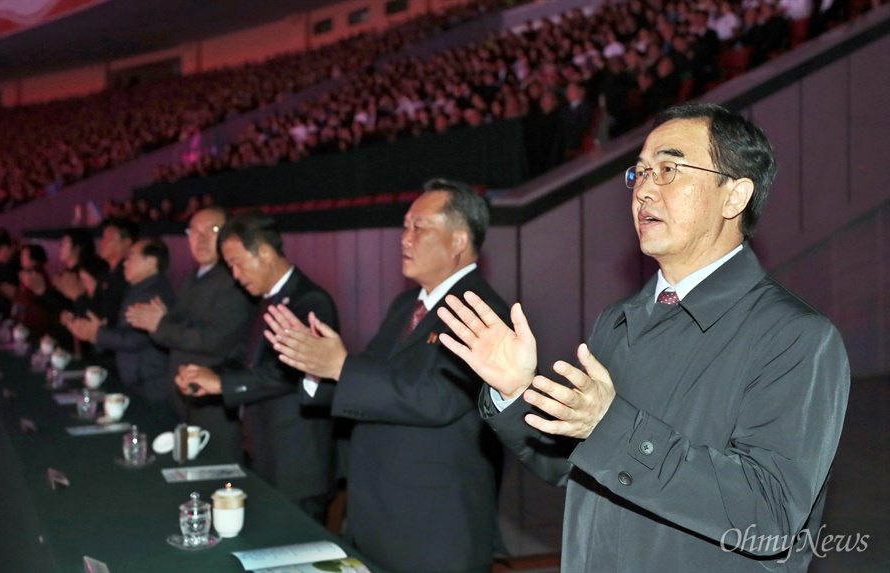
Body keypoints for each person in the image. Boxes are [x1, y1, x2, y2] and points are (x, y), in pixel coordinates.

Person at [435, 103, 850, 572]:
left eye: (669, 169)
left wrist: (608, 425)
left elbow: (770, 514)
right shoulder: (619, 319)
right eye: (640, 172)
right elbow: (570, 466)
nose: (645, 190)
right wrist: (516, 392)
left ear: (734, 197)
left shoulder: (796, 338)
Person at [265, 179, 508, 573]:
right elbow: (372, 379)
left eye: (419, 227)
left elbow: (436, 398)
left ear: (459, 241)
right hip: (381, 514)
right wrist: (316, 368)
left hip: (432, 527)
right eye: (404, 226)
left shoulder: (480, 310)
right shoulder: (405, 304)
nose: (404, 239)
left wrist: (339, 365)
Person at [174, 210, 338, 523]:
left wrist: (223, 384)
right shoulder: (265, 298)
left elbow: (288, 373)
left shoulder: (310, 300)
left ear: (264, 252)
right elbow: (246, 357)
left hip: (297, 465)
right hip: (265, 453)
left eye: (237, 263)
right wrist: (208, 374)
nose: (234, 275)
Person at [125, 207, 256, 460]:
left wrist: (161, 324)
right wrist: (161, 322)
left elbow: (213, 338)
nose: (202, 238)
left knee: (219, 470)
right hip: (186, 396)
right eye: (195, 231)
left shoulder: (232, 278)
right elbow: (178, 330)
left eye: (213, 230)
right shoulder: (193, 277)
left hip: (214, 400)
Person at [67, 237, 176, 415]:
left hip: (150, 383)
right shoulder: (139, 289)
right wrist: (96, 332)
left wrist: (97, 334)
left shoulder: (154, 294)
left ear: (151, 262)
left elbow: (138, 338)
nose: (125, 263)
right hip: (138, 381)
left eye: (131, 257)